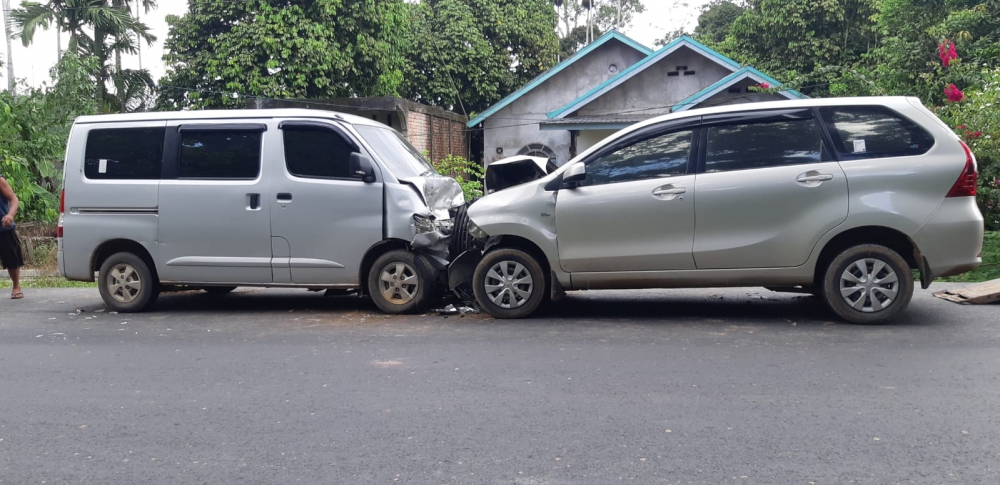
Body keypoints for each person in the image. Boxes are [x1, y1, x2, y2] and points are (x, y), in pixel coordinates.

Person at [0, 172, 23, 299]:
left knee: (12, 258)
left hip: (3, 227)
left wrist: (10, 215)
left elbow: (13, 198)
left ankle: (16, 286)